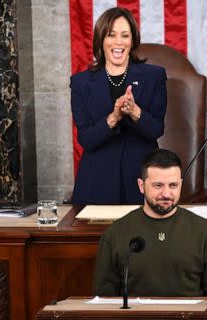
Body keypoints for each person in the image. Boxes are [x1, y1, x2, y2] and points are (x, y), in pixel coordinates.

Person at [93, 149, 207, 320]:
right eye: (158, 185)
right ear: (141, 186)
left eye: (173, 185)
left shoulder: (205, 233)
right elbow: (103, 300)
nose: (166, 193)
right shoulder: (115, 234)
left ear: (181, 185)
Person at [70, 7, 167, 205]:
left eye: (125, 35)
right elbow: (86, 139)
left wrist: (135, 111)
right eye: (111, 35)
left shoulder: (154, 76)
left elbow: (156, 129)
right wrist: (113, 118)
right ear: (101, 41)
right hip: (96, 182)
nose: (118, 42)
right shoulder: (81, 83)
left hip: (141, 178)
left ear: (133, 41)